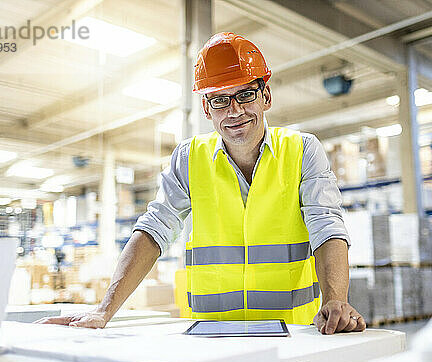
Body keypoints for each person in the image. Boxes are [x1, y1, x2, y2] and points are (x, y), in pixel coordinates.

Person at [37, 32, 365, 334]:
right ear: (207, 108)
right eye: (220, 99)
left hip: (292, 333)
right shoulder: (189, 158)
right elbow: (153, 231)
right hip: (210, 335)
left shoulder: (303, 150)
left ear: (265, 95)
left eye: (245, 94)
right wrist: (104, 310)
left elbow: (327, 228)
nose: (234, 110)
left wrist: (335, 300)